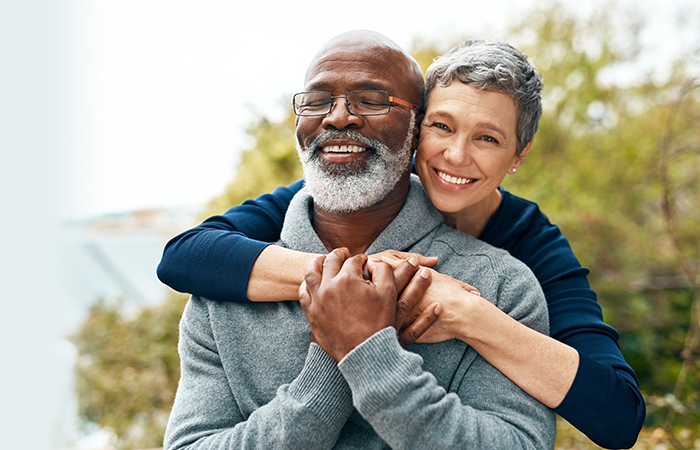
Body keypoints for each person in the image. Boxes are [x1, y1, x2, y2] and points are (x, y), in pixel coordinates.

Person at [159, 39, 645, 448]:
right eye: (443, 126)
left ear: (519, 154)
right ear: (419, 134)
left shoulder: (520, 266)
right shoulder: (235, 274)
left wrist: (469, 317)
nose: (456, 154)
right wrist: (351, 291)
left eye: (488, 139)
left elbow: (616, 415)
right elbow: (184, 254)